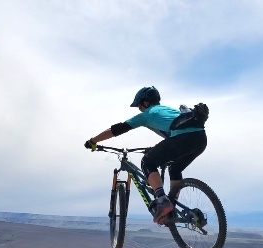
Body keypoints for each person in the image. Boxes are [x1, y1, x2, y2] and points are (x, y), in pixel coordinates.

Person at [84, 86, 208, 224]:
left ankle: (162, 200)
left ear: (145, 102)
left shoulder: (147, 114)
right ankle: (171, 205)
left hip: (181, 138)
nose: (139, 109)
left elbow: (117, 129)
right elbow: (173, 129)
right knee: (175, 169)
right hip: (201, 139)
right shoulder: (169, 110)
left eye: (139, 106)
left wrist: (93, 141)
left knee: (147, 163)